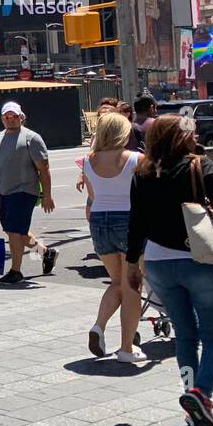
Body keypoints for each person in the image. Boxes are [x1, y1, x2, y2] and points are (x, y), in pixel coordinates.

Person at [127, 114, 213, 426]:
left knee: (186, 337)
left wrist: (132, 265)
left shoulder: (144, 171)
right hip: (201, 259)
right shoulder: (199, 166)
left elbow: (137, 223)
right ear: (182, 137)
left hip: (159, 264)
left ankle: (192, 396)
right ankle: (201, 395)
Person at [82, 113, 146, 362]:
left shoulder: (88, 161)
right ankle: (127, 349)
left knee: (117, 281)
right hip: (128, 220)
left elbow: (92, 195)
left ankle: (98, 326)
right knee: (132, 284)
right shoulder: (134, 159)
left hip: (99, 221)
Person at [0, 101, 57, 283]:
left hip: (24, 191)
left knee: (14, 231)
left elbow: (44, 169)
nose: (10, 119)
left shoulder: (31, 138)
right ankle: (46, 253)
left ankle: (16, 271)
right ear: (2, 118)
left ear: (21, 116)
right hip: (4, 191)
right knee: (17, 232)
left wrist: (47, 195)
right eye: (7, 116)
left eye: (14, 116)